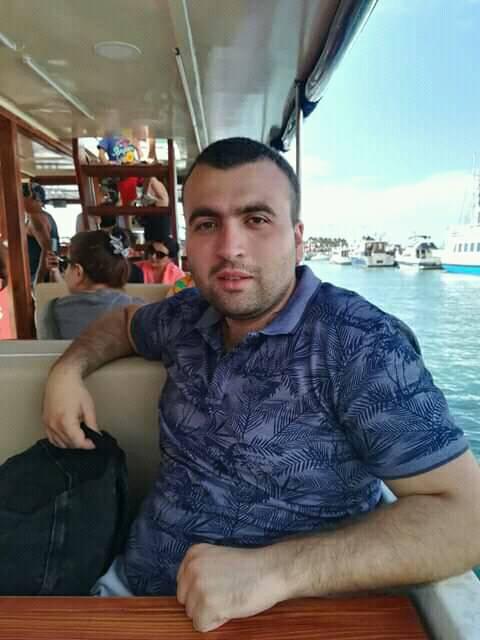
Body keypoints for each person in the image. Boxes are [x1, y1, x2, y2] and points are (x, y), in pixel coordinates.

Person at [42, 138, 480, 632]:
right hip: (132, 595)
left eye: (256, 219)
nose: (230, 247)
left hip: (287, 616)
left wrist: (275, 571)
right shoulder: (188, 315)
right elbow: (122, 324)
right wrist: (68, 371)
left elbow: (467, 518)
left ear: (297, 237)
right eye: (208, 224)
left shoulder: (360, 343)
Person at [38, 228, 143, 339]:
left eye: (67, 264)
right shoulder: (140, 310)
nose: (65, 272)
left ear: (78, 271)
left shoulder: (52, 312)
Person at [24, 182, 60, 285]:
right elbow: (52, 246)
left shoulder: (35, 218)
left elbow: (47, 249)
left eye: (24, 197)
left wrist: (38, 281)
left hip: (38, 276)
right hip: (46, 275)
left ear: (35, 198)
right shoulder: (47, 216)